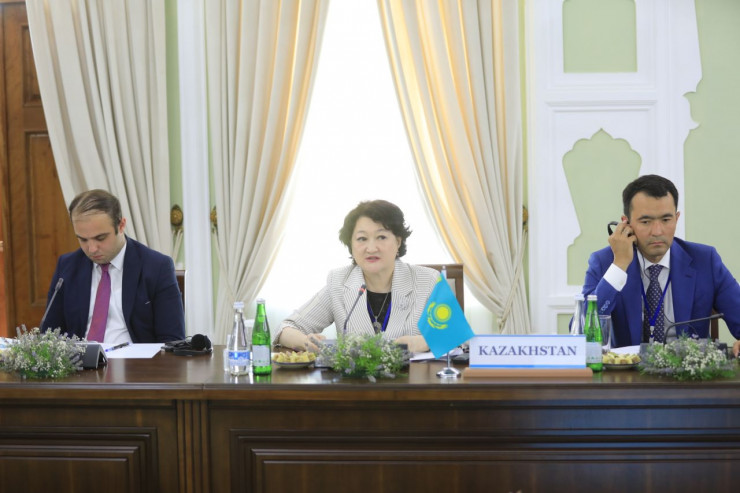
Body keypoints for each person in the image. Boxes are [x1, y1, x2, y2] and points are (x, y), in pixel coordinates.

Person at [582, 174, 740, 357]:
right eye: (646, 222)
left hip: (687, 370)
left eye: (666, 220)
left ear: (676, 218)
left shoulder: (705, 260)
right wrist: (619, 266)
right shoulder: (605, 262)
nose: (657, 231)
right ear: (626, 223)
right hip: (627, 372)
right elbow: (581, 332)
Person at [276, 200, 440, 353]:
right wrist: (305, 342)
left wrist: (424, 342)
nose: (371, 248)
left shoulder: (428, 280)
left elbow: (452, 337)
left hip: (413, 375)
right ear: (351, 245)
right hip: (356, 375)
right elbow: (286, 328)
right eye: (362, 239)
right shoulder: (339, 282)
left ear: (398, 241)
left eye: (381, 237)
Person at [42, 189, 185, 344]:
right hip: (80, 358)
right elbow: (49, 335)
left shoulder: (157, 267)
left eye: (100, 238)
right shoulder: (67, 266)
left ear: (121, 225)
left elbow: (172, 340)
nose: (92, 249)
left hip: (137, 359)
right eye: (83, 239)